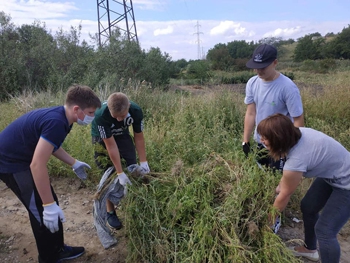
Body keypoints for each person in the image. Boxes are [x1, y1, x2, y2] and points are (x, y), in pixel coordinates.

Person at [0, 85, 101, 263]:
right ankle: (48, 258)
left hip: (22, 159)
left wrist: (74, 162)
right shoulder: (56, 122)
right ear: (77, 109)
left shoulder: (64, 119)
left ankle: (58, 250)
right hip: (10, 162)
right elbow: (37, 164)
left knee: (51, 202)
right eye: (91, 112)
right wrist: (47, 204)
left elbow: (50, 145)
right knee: (41, 210)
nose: (92, 117)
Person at [257, 113, 350, 263]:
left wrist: (268, 224)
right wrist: (279, 187)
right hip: (333, 175)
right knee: (308, 206)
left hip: (347, 184)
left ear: (279, 139)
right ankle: (310, 249)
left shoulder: (297, 159)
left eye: (265, 138)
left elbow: (285, 194)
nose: (261, 140)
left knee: (325, 231)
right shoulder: (296, 135)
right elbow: (286, 181)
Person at [91, 92, 150, 230]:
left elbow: (139, 136)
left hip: (123, 135)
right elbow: (110, 145)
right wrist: (119, 172)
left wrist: (143, 162)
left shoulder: (135, 111)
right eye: (115, 116)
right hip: (102, 138)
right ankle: (110, 211)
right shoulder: (100, 115)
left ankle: (133, 202)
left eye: (122, 116)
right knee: (109, 174)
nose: (118, 120)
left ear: (128, 107)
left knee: (132, 165)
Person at [243, 43, 304, 171]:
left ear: (275, 62)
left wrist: (291, 148)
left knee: (279, 179)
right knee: (262, 174)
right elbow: (251, 113)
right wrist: (246, 141)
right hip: (261, 140)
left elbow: (298, 120)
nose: (259, 70)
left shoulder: (287, 87)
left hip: (280, 144)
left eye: (263, 67)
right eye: (256, 67)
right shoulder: (252, 83)